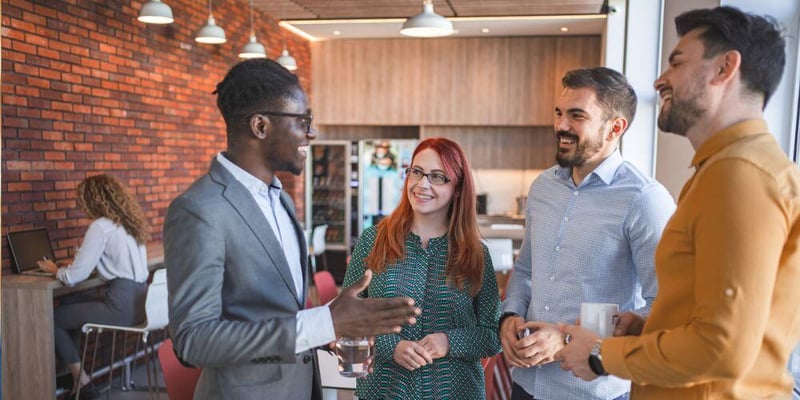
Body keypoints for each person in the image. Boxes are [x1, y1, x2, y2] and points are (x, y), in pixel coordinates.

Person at [557, 6, 800, 400]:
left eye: (676, 62)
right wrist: (650, 329)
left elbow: (722, 348)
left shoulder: (740, 174)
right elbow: (720, 319)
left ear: (724, 69)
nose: (659, 79)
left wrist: (602, 354)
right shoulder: (722, 170)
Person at [164, 59, 420, 400]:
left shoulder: (281, 199)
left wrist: (331, 321)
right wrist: (323, 323)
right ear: (260, 126)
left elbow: (285, 313)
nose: (311, 133)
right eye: (303, 121)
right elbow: (193, 342)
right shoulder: (199, 209)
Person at [499, 67, 676, 400]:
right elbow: (525, 271)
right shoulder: (543, 187)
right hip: (525, 383)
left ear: (615, 127)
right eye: (559, 113)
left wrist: (566, 338)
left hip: (593, 390)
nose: (560, 126)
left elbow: (664, 307)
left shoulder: (644, 200)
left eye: (576, 116)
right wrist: (509, 316)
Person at [342, 137, 502, 399]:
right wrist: (389, 345)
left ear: (458, 188)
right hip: (385, 389)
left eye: (437, 177)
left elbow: (493, 335)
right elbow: (345, 318)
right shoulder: (374, 240)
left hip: (456, 391)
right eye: (416, 172)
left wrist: (449, 342)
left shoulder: (476, 254)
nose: (422, 184)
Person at [37, 173, 151, 399]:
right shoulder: (129, 224)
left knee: (53, 319)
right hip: (142, 302)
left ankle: (82, 381)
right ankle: (72, 372)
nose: (82, 207)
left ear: (93, 200)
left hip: (121, 305)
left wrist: (54, 270)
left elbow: (73, 278)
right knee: (70, 302)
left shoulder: (101, 226)